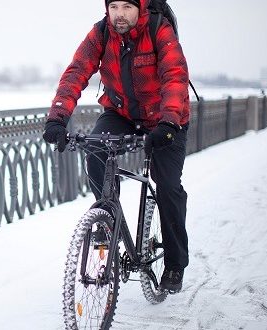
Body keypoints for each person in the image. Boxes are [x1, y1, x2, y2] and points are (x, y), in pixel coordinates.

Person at [42, 0, 189, 293]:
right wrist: (57, 118)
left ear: (141, 8)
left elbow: (174, 76)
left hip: (165, 118)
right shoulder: (101, 33)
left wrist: (169, 121)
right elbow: (76, 73)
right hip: (121, 114)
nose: (119, 14)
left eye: (127, 7)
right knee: (95, 150)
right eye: (114, 7)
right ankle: (107, 220)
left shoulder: (160, 30)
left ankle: (175, 263)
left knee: (168, 186)